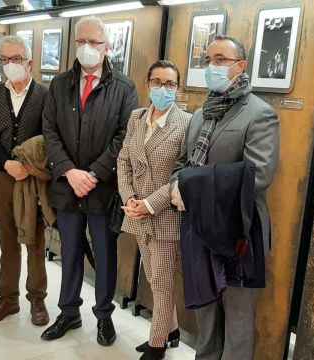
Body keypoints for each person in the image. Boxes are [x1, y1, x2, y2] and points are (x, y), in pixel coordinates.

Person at [171, 35, 280, 360]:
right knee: (205, 308)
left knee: (237, 316)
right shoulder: (202, 113)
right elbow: (184, 163)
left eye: (221, 60)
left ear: (241, 66)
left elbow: (257, 175)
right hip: (200, 229)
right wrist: (178, 183)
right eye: (208, 60)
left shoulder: (260, 114)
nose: (212, 67)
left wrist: (190, 185)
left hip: (239, 232)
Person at [41, 16, 138, 346]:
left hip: (102, 189)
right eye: (81, 41)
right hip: (67, 186)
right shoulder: (59, 85)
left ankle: (104, 316)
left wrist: (94, 173)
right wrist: (70, 171)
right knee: (68, 251)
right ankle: (68, 312)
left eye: (94, 42)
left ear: (107, 47)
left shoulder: (124, 88)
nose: (87, 48)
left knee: (105, 254)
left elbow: (124, 137)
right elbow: (50, 132)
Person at [117, 60, 191, 360]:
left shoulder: (186, 123)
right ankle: (170, 329)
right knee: (152, 276)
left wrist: (148, 204)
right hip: (135, 211)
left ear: (178, 88)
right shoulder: (136, 117)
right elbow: (123, 160)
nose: (163, 88)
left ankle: (157, 344)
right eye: (157, 82)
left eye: (170, 83)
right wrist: (130, 199)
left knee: (161, 283)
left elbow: (182, 173)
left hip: (164, 216)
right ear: (148, 84)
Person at [0, 35, 49, 327]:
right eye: (5, 60)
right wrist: (5, 162)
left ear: (29, 62)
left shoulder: (46, 96)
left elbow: (50, 136)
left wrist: (28, 167)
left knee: (34, 239)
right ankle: (8, 298)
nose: (11, 65)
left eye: (16, 59)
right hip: (4, 176)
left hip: (33, 180)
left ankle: (37, 298)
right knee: (8, 239)